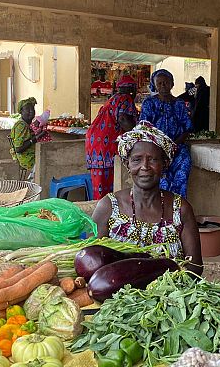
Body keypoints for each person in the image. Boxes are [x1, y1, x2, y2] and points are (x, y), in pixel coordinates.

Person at [92, 121, 203, 275]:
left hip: (171, 295)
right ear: (127, 164)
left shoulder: (181, 209)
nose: (145, 166)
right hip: (118, 295)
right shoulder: (109, 207)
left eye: (153, 159)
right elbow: (93, 261)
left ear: (164, 165)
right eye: (137, 159)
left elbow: (195, 268)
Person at [139, 69, 193, 197]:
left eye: (166, 82)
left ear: (172, 84)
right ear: (155, 85)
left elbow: (187, 128)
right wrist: (160, 147)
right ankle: (161, 211)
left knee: (182, 173)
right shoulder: (149, 103)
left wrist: (173, 146)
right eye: (160, 83)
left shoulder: (179, 104)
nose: (163, 86)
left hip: (177, 148)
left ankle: (178, 209)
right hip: (155, 149)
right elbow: (143, 128)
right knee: (161, 180)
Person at [86, 75, 139, 199]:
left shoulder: (112, 99)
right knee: (107, 185)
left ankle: (100, 211)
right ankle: (104, 213)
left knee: (99, 184)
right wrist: (138, 133)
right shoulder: (125, 98)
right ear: (132, 89)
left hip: (94, 143)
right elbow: (123, 119)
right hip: (105, 144)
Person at [10, 97, 47, 177]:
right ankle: (35, 182)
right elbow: (19, 149)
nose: (31, 111)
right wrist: (37, 137)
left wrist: (36, 134)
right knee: (48, 160)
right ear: (21, 112)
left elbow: (26, 137)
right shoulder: (21, 126)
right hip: (26, 158)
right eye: (27, 109)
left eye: (32, 109)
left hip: (29, 155)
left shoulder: (26, 124)